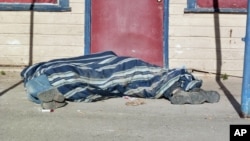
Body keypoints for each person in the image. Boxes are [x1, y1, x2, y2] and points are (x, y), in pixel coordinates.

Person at [21, 51, 220, 109]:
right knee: (140, 82)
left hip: (124, 67)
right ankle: (178, 89)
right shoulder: (41, 70)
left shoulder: (40, 70)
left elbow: (106, 63)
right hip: (53, 74)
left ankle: (179, 89)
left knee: (136, 76)